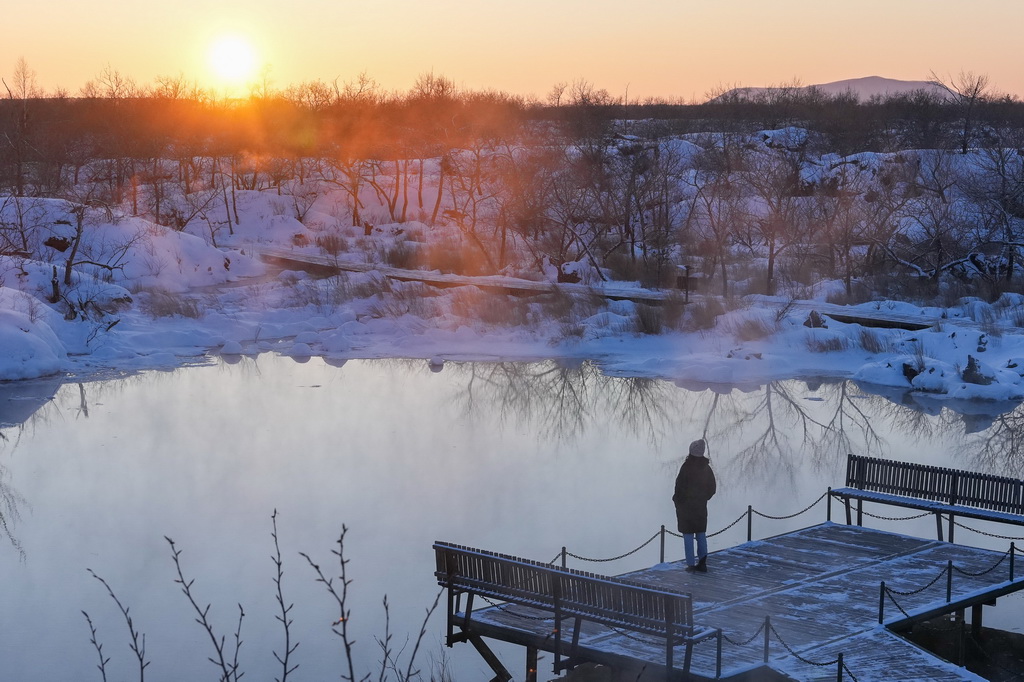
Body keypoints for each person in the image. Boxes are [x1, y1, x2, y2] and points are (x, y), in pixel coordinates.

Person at [673, 438, 717, 572]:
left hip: (686, 508)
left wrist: (678, 501)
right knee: (700, 534)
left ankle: (691, 564)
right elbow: (712, 488)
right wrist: (703, 498)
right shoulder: (706, 468)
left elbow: (679, 488)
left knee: (687, 536)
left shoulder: (686, 467)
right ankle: (703, 563)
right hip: (700, 507)